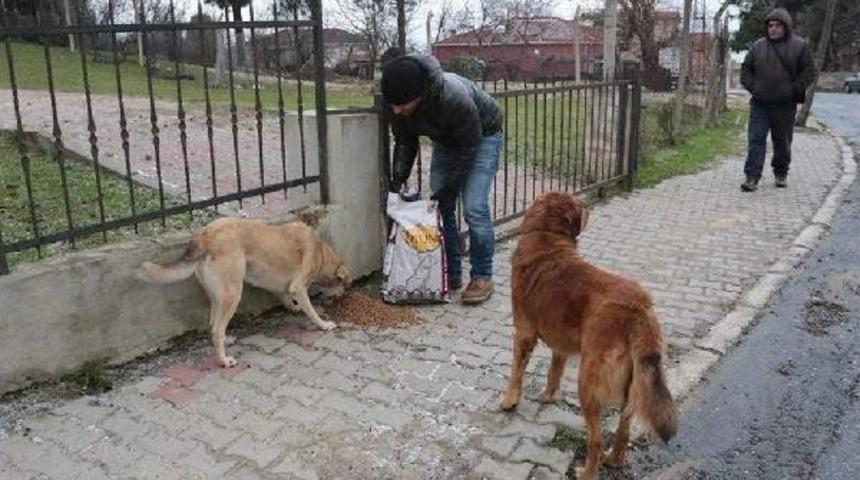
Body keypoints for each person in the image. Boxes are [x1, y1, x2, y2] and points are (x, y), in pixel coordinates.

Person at [381, 54, 503, 304]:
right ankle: (450, 272)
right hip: (447, 141)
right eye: (393, 105)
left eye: (402, 105)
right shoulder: (397, 103)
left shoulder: (453, 97)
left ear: (420, 94)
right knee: (440, 207)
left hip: (482, 137)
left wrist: (450, 188)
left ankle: (482, 275)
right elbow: (405, 141)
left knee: (474, 207)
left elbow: (470, 147)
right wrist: (398, 179)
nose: (396, 110)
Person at [739, 7, 815, 192]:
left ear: (786, 27)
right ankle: (752, 177)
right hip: (760, 103)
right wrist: (754, 88)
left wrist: (793, 90)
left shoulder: (800, 46)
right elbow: (746, 70)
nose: (773, 29)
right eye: (770, 25)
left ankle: (781, 172)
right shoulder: (758, 46)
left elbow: (809, 72)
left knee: (782, 142)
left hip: (784, 105)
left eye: (778, 25)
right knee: (756, 140)